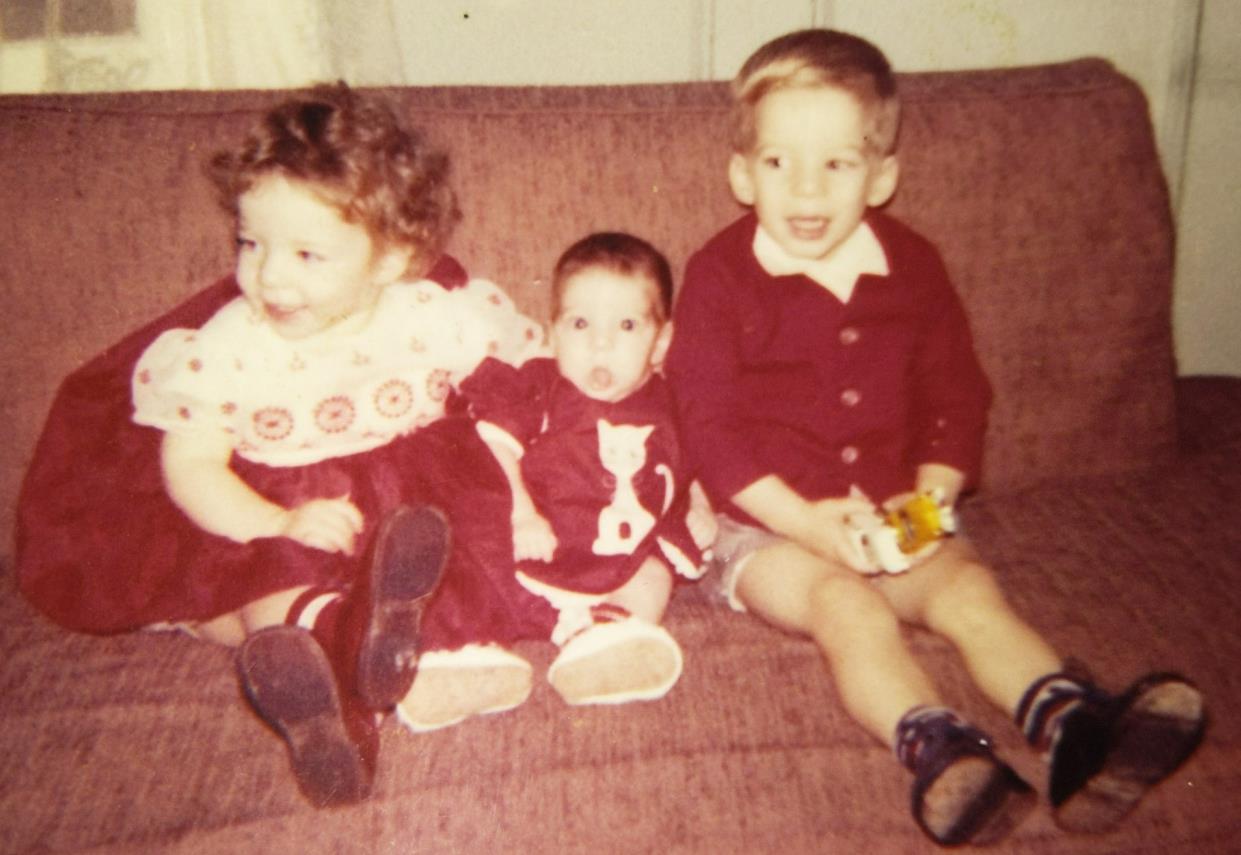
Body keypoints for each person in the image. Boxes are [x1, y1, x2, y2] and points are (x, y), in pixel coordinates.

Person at [664, 29, 1206, 847]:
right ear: (742, 174)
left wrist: (928, 500)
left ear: (881, 176)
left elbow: (956, 395)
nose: (806, 188)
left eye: (836, 163)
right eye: (779, 162)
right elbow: (708, 430)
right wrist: (809, 525)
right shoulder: (717, 276)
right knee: (846, 606)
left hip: (896, 511)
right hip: (764, 526)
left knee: (966, 589)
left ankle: (1071, 726)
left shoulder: (913, 265)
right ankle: (938, 749)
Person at [15, 84, 547, 807]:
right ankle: (324, 666)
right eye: (251, 243)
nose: (268, 276)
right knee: (273, 586)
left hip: (407, 507)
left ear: (391, 258)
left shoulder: (429, 314)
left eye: (306, 253)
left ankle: (365, 645)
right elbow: (191, 464)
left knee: (437, 551)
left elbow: (515, 376)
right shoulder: (228, 348)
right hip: (277, 504)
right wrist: (276, 521)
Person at [398, 233, 713, 728]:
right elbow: (498, 447)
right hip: (530, 547)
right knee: (473, 570)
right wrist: (522, 514)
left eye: (627, 325)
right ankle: (466, 656)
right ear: (554, 333)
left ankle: (607, 636)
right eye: (580, 323)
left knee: (655, 574)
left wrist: (700, 504)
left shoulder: (670, 402)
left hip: (617, 557)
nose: (600, 344)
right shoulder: (541, 386)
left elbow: (685, 462)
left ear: (661, 342)